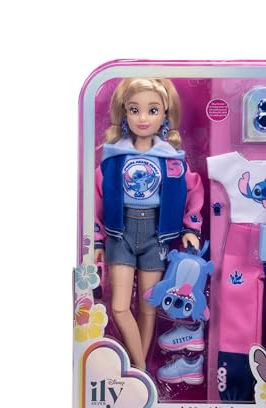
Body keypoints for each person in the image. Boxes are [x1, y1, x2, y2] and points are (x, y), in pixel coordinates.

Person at [94, 78, 204, 369]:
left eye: (152, 110)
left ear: (165, 114)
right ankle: (140, 368)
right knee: (119, 307)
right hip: (120, 232)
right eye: (135, 110)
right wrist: (96, 238)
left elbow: (194, 189)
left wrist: (191, 228)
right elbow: (97, 196)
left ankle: (137, 372)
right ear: (124, 112)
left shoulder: (171, 159)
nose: (143, 118)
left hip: (158, 234)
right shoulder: (114, 157)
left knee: (148, 307)